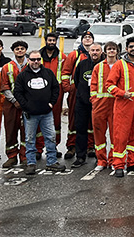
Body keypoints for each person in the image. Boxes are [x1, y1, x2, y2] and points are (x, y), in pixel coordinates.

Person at [105, 37, 134, 177]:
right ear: (126, 49)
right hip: (123, 105)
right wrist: (121, 93)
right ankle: (118, 164)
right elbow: (109, 85)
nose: (133, 49)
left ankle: (132, 163)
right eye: (130, 46)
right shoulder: (120, 64)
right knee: (121, 136)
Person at [13, 50, 65, 174]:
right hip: (30, 115)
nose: (35, 62)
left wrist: (52, 103)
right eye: (33, 59)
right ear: (28, 60)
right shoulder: (22, 76)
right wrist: (26, 106)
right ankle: (31, 163)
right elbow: (17, 93)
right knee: (30, 139)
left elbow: (55, 88)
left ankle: (51, 162)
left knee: (50, 137)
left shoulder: (48, 73)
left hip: (46, 113)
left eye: (38, 59)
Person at [60, 30, 95, 159]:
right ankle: (72, 145)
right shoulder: (74, 55)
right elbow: (65, 72)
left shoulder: (95, 54)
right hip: (77, 91)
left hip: (93, 91)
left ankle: (90, 145)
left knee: (92, 120)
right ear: (81, 40)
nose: (87, 39)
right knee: (74, 119)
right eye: (85, 37)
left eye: (89, 38)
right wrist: (68, 88)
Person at [70, 43, 103, 168]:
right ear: (89, 51)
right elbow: (77, 80)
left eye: (97, 50)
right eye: (92, 50)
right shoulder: (82, 64)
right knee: (81, 129)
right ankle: (80, 156)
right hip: (82, 103)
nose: (94, 52)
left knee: (99, 131)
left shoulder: (104, 65)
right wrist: (84, 96)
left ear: (101, 52)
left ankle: (100, 157)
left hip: (99, 104)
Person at [0, 40, 29, 168]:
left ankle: (24, 156)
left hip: (27, 105)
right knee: (11, 131)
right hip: (11, 105)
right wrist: (14, 101)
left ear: (26, 50)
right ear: (13, 51)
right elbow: (4, 86)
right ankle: (12, 157)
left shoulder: (31, 65)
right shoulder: (7, 67)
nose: (20, 51)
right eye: (17, 49)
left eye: (22, 48)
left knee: (26, 132)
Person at [36, 32, 66, 159]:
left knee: (55, 121)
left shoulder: (61, 57)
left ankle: (53, 147)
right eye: (50, 40)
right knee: (38, 120)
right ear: (45, 41)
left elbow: (65, 73)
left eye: (54, 40)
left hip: (56, 92)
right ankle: (38, 148)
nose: (52, 42)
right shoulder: (37, 56)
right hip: (39, 91)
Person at [90, 41, 119, 170]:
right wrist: (94, 100)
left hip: (116, 104)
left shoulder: (121, 65)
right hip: (100, 105)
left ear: (117, 51)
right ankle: (101, 160)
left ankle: (113, 160)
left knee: (115, 134)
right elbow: (93, 85)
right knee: (99, 133)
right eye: (109, 49)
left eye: (113, 49)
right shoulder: (98, 67)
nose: (111, 51)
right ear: (105, 51)